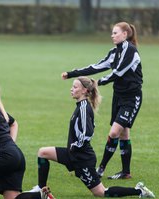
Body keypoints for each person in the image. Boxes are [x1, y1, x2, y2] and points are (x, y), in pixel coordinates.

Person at [29, 76, 154, 199]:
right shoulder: (80, 106)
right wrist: (73, 147)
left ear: (84, 90)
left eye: (75, 87)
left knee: (101, 192)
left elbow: (88, 133)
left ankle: (139, 191)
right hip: (72, 154)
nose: (71, 89)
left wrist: (76, 145)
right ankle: (41, 188)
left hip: (82, 158)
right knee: (43, 152)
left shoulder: (84, 108)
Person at [61, 22, 143, 180]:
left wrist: (98, 82)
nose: (112, 36)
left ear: (125, 34)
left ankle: (101, 168)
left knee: (114, 132)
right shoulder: (114, 52)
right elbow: (96, 67)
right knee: (124, 133)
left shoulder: (131, 51)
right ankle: (126, 172)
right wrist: (71, 74)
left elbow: (119, 72)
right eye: (112, 33)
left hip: (131, 98)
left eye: (115, 33)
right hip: (118, 96)